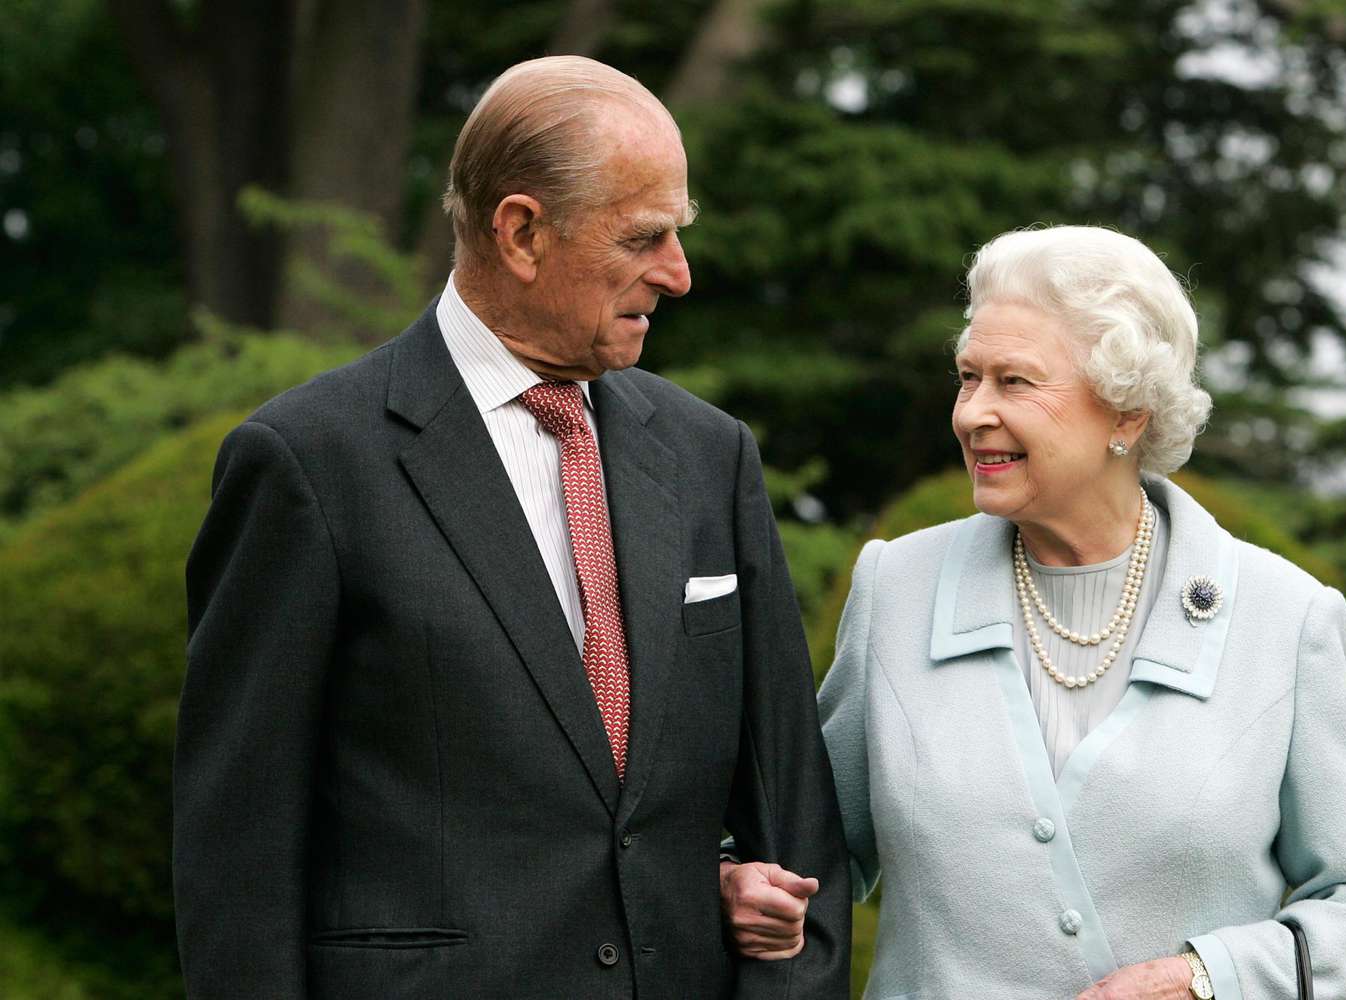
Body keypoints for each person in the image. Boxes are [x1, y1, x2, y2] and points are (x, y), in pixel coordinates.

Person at [175, 56, 850, 999]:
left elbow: (795, 824)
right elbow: (235, 855)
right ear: (522, 232)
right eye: (645, 236)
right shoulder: (307, 463)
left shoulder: (710, 456)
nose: (679, 274)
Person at [720, 226, 1346, 998]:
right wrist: (742, 879)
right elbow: (808, 846)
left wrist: (1204, 979)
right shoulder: (898, 586)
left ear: (1127, 414)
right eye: (968, 377)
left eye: (1015, 382)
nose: (971, 414)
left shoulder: (1284, 619)